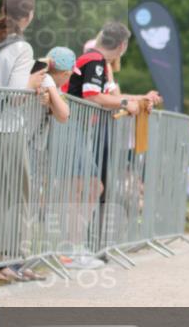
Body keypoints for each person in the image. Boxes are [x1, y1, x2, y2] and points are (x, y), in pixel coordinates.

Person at [63, 22, 161, 268]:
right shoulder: (95, 60)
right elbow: (93, 96)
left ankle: (74, 249)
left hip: (75, 127)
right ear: (122, 45)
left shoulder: (94, 58)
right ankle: (71, 251)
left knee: (88, 187)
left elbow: (109, 96)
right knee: (87, 188)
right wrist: (125, 102)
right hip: (71, 127)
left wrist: (139, 99)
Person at [0, 0, 48, 282]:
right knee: (12, 197)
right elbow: (16, 95)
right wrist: (34, 81)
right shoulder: (21, 47)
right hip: (7, 128)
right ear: (29, 15)